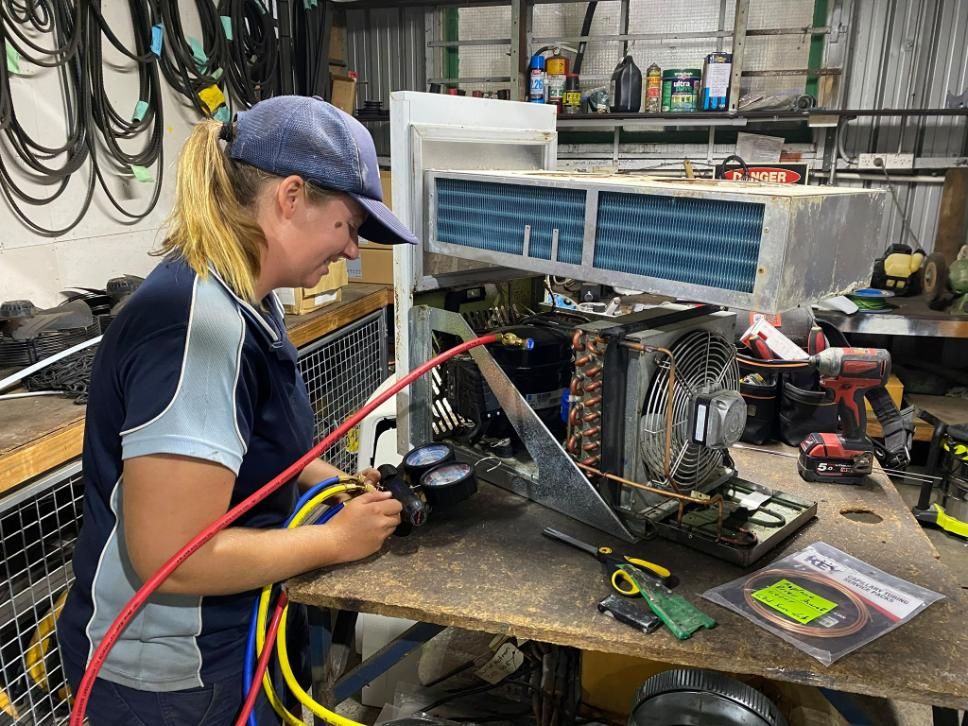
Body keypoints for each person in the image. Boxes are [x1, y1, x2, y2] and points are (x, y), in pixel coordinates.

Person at [57, 95, 418, 725]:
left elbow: (241, 436)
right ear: (291, 197)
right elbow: (172, 558)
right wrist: (332, 540)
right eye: (350, 224)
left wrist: (320, 478)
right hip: (166, 675)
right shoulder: (199, 331)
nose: (355, 251)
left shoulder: (245, 294)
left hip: (227, 638)